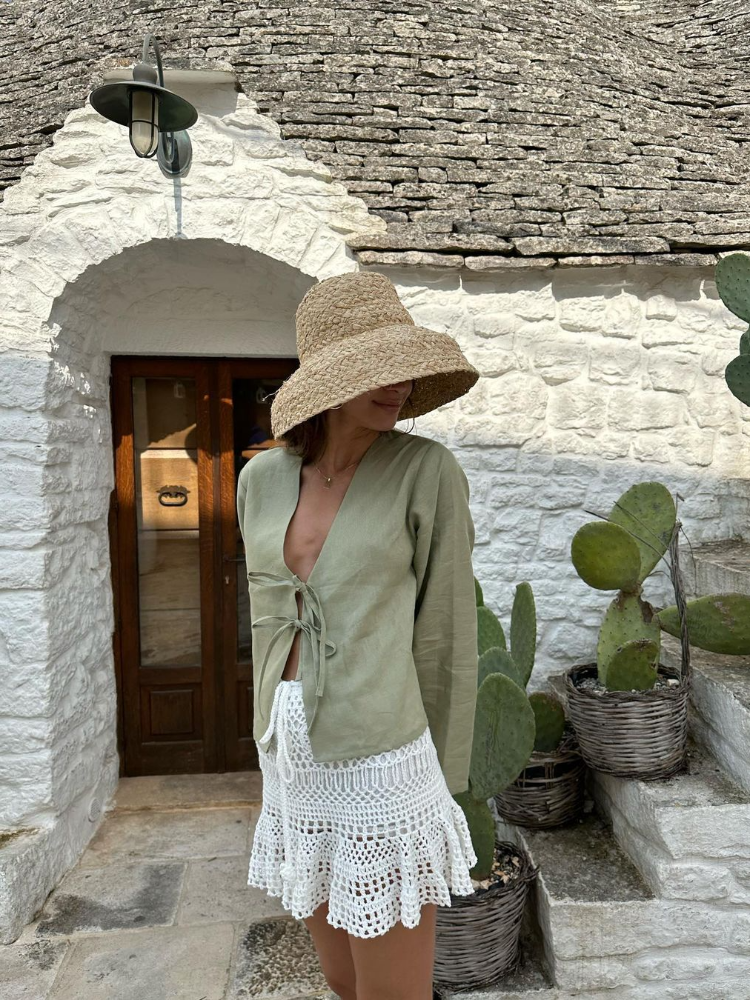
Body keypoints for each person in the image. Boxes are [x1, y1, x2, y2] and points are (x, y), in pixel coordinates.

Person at [236, 271, 481, 1000]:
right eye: (377, 369)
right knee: (341, 978)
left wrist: (446, 775)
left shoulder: (426, 471)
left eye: (405, 366)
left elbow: (445, 629)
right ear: (329, 381)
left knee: (393, 990)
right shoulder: (260, 480)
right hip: (288, 748)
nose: (398, 385)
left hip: (384, 754)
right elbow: (265, 615)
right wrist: (262, 728)